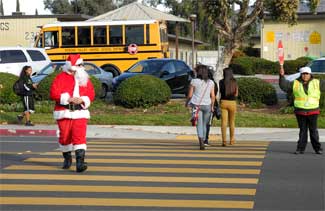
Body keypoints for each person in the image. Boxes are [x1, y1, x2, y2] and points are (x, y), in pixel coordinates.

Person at [50, 54, 95, 172]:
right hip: (63, 111)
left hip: (80, 112)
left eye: (82, 65)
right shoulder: (60, 77)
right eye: (80, 65)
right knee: (64, 137)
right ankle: (67, 158)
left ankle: (80, 163)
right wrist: (67, 98)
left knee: (79, 136)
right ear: (72, 66)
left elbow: (91, 94)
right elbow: (54, 93)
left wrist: (83, 99)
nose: (82, 67)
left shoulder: (85, 78)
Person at [279, 66, 324, 154]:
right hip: (300, 111)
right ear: (301, 74)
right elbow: (284, 86)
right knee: (303, 131)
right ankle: (300, 149)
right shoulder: (295, 83)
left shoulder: (317, 82)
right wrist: (281, 76)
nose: (305, 76)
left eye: (307, 74)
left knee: (313, 130)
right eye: (303, 74)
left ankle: (317, 149)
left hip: (313, 111)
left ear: (310, 74)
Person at [185, 64, 215, 150]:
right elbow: (213, 96)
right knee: (205, 124)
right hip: (207, 105)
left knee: (199, 124)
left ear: (198, 72)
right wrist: (212, 106)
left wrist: (186, 103)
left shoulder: (194, 81)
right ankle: (205, 139)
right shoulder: (211, 82)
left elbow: (190, 95)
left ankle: (201, 141)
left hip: (196, 105)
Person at [219, 67, 238, 147]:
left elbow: (220, 92)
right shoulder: (235, 82)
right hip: (232, 103)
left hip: (223, 102)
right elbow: (236, 94)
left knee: (224, 122)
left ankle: (224, 141)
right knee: (232, 122)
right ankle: (232, 140)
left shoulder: (221, 82)